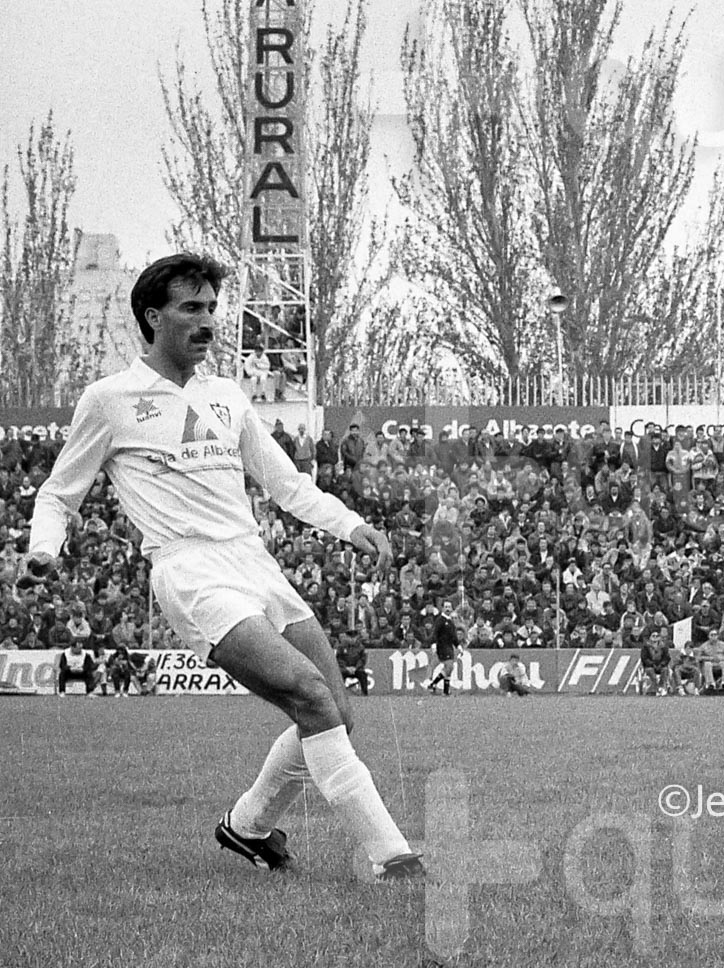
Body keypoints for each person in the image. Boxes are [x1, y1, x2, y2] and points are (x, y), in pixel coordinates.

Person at [19, 254, 422, 879]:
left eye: (211, 308)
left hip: (253, 560)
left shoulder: (227, 395)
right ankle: (393, 859)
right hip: (191, 571)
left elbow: (287, 485)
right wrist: (44, 548)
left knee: (336, 713)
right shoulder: (109, 400)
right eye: (191, 308)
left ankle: (248, 826)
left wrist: (350, 525)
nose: (207, 321)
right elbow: (57, 493)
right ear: (154, 318)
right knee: (310, 694)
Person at [427, 603, 461, 696]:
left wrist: (458, 646)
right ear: (442, 608)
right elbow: (435, 633)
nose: (447, 609)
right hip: (442, 647)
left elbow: (454, 637)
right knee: (449, 666)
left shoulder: (450, 622)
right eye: (446, 607)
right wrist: (434, 644)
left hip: (449, 647)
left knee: (449, 668)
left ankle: (445, 690)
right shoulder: (440, 620)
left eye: (449, 607)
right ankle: (433, 684)